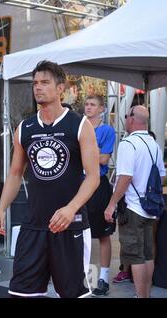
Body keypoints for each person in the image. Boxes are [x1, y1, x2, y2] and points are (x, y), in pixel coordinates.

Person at [0, 60, 100, 298]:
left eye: (45, 82)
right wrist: (1, 209)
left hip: (70, 225)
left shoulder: (79, 125)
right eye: (35, 83)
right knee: (22, 293)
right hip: (33, 225)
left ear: (61, 88)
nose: (38, 87)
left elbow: (93, 177)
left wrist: (71, 209)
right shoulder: (25, 128)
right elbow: (15, 173)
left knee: (74, 295)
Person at [104, 105, 165, 298]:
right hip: (150, 208)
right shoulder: (154, 144)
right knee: (148, 255)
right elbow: (161, 177)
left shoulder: (128, 143)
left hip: (132, 208)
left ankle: (141, 295)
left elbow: (125, 178)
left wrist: (111, 203)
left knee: (135, 256)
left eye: (126, 115)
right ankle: (144, 294)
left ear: (132, 119)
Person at [83, 95, 116, 296]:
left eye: (92, 105)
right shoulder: (79, 128)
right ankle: (79, 274)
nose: (88, 107)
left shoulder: (106, 130)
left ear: (102, 109)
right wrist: (92, 152)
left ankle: (103, 278)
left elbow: (103, 159)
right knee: (78, 231)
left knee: (103, 233)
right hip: (79, 184)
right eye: (86, 104)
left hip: (99, 185)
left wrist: (88, 153)